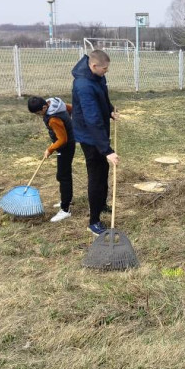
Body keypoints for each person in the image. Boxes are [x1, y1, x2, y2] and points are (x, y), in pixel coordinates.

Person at [71, 50, 119, 236]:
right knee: (96, 176)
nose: (106, 72)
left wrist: (109, 111)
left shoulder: (97, 77)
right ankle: (94, 221)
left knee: (104, 171)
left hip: (98, 132)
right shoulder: (83, 85)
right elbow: (91, 119)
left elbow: (103, 97)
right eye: (104, 69)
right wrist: (107, 150)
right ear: (93, 66)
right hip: (89, 136)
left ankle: (101, 204)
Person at [27, 96, 76, 223]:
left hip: (65, 146)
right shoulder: (55, 103)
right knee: (62, 176)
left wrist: (50, 149)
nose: (39, 116)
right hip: (67, 144)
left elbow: (62, 139)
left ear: (44, 107)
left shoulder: (53, 119)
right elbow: (71, 109)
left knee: (63, 176)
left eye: (39, 113)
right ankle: (67, 199)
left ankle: (65, 209)